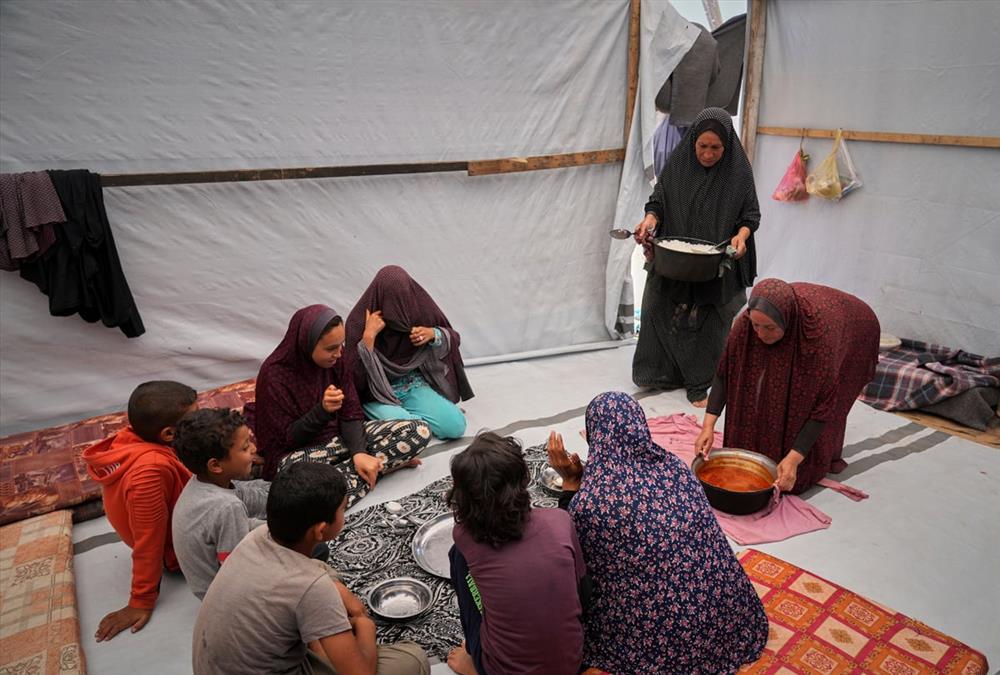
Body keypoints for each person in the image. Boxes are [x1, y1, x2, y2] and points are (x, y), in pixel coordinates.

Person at [547, 392, 767, 673]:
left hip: (668, 642)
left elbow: (568, 551)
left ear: (593, 435)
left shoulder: (591, 502)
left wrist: (570, 483)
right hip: (728, 619)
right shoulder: (676, 467)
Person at [192, 462, 430, 675]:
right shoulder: (311, 588)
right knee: (411, 660)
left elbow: (312, 578)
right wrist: (364, 623)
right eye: (343, 509)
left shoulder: (257, 536)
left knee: (322, 567)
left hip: (213, 666)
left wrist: (343, 597)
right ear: (321, 530)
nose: (344, 514)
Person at [695, 278, 880, 493]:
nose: (761, 334)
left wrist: (793, 459)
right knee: (774, 386)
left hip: (854, 326)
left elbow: (823, 406)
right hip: (799, 311)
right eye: (756, 326)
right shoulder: (746, 324)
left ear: (786, 319)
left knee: (811, 398)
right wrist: (708, 426)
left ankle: (815, 456)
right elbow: (725, 374)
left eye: (769, 328)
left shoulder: (818, 338)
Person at [631, 107, 760, 406]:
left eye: (716, 148)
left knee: (711, 318)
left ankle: (700, 382)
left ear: (727, 146)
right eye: (702, 146)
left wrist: (741, 237)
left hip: (714, 259)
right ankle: (658, 372)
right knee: (657, 305)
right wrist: (650, 219)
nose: (708, 153)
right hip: (676, 257)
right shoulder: (678, 166)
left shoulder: (738, 174)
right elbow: (658, 202)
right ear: (692, 141)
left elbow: (750, 216)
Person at [253, 304, 430, 506]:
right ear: (306, 344)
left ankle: (351, 478)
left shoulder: (338, 359)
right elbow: (287, 440)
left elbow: (351, 412)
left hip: (341, 441)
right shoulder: (274, 376)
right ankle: (380, 469)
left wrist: (359, 453)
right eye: (330, 348)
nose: (339, 353)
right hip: (299, 455)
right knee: (293, 480)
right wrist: (322, 411)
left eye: (341, 345)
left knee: (419, 431)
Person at [445, 433, 589, 675]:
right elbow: (583, 596)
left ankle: (474, 659)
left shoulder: (464, 539)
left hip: (499, 669)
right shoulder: (560, 520)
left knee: (457, 557)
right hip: (570, 663)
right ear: (524, 479)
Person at [82, 380, 197, 641]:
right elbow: (149, 539)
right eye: (195, 418)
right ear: (168, 434)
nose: (201, 421)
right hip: (178, 553)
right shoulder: (150, 472)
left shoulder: (130, 439)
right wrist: (141, 600)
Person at [345, 266, 472, 439]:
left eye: (403, 300)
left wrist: (432, 334)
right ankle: (392, 418)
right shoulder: (358, 323)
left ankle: (408, 420)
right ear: (381, 298)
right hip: (374, 393)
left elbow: (453, 337)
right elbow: (351, 378)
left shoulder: (419, 310)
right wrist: (368, 339)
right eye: (392, 302)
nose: (399, 308)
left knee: (455, 426)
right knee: (410, 429)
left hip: (410, 385)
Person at [171, 408, 269, 599]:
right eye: (245, 448)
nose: (253, 449)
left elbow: (250, 502)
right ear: (215, 465)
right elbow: (238, 570)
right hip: (224, 596)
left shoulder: (200, 482)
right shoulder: (227, 507)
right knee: (314, 553)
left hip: (210, 582)